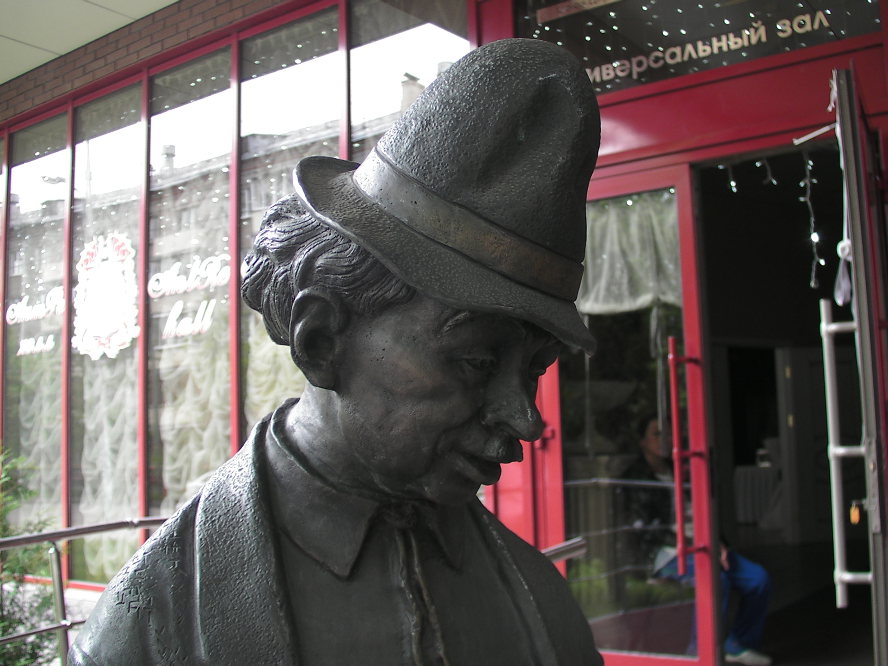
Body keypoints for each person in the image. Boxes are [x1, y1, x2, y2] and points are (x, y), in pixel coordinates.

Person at [69, 39, 603, 664]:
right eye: (477, 360)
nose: (526, 418)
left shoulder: (540, 599)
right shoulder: (153, 623)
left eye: (534, 369)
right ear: (320, 340)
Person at [619, 417, 773, 666]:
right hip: (665, 552)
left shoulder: (684, 468)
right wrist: (694, 542)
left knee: (758, 579)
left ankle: (737, 644)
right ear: (643, 442)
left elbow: (705, 511)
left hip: (703, 544)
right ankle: (699, 651)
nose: (665, 439)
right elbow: (646, 530)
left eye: (669, 433)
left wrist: (718, 543)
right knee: (715, 579)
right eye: (657, 434)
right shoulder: (635, 477)